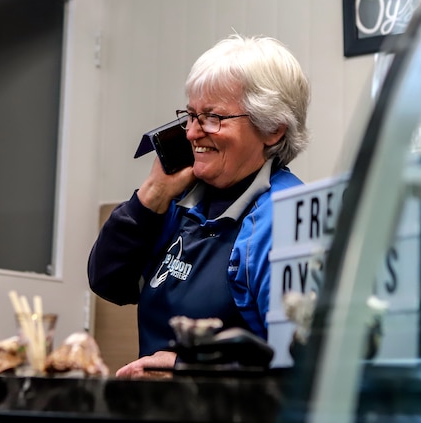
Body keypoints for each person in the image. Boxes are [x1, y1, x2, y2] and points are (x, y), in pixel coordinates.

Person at [87, 34, 311, 378]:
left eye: (212, 117)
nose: (192, 133)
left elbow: (301, 368)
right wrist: (153, 193)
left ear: (273, 131)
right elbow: (109, 281)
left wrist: (188, 371)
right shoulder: (183, 197)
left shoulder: (287, 221)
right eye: (190, 115)